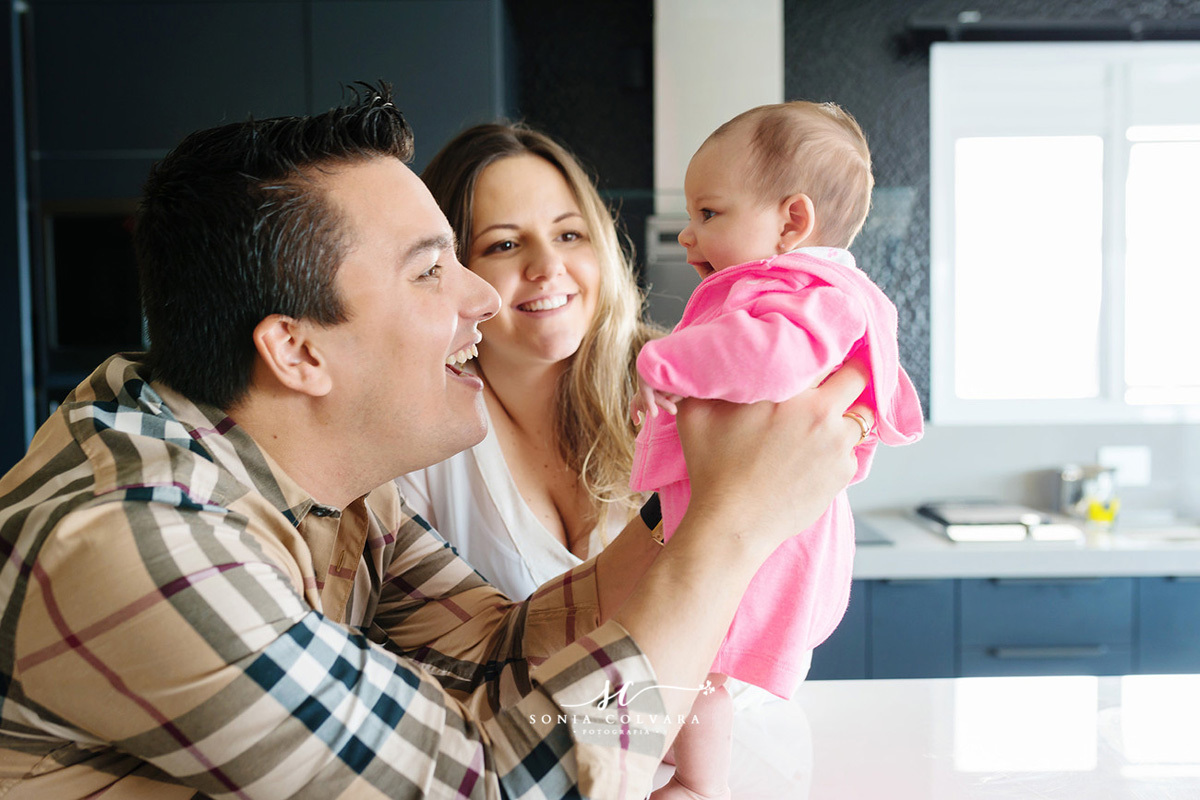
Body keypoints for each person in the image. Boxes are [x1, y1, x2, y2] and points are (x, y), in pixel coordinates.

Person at [0, 84, 871, 799]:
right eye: (430, 271)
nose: (482, 299)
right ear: (297, 352)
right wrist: (729, 527)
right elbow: (492, 785)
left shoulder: (332, 487)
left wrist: (696, 502)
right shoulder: (142, 543)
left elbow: (505, 650)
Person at [631, 101, 925, 800]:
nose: (688, 232)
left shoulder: (808, 294)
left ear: (792, 222)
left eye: (709, 212)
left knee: (706, 656)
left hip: (774, 522)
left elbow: (771, 359)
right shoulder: (807, 289)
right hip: (757, 507)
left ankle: (698, 782)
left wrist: (662, 362)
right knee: (699, 652)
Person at [396, 123, 659, 601]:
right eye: (505, 245)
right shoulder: (417, 429)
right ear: (449, 271)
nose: (548, 267)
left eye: (569, 234)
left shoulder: (679, 384)